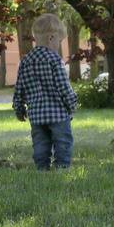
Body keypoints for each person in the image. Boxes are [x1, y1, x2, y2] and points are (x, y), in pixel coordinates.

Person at [12, 13, 78, 170]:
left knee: (40, 143)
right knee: (63, 141)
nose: (59, 44)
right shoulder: (55, 60)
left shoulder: (25, 61)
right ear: (51, 38)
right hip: (58, 113)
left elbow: (19, 89)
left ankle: (41, 167)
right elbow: (63, 86)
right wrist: (72, 103)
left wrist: (19, 109)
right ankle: (61, 166)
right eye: (60, 41)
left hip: (36, 114)